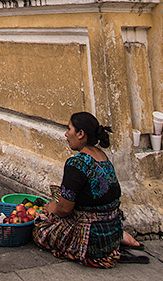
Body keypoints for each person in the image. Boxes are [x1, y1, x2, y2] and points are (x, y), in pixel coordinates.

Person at [33, 112, 149, 267]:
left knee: (40, 230)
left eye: (69, 129)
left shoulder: (76, 164)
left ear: (80, 134)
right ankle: (119, 236)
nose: (66, 134)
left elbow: (65, 209)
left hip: (91, 238)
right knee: (59, 195)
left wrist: (54, 208)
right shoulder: (102, 157)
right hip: (112, 230)